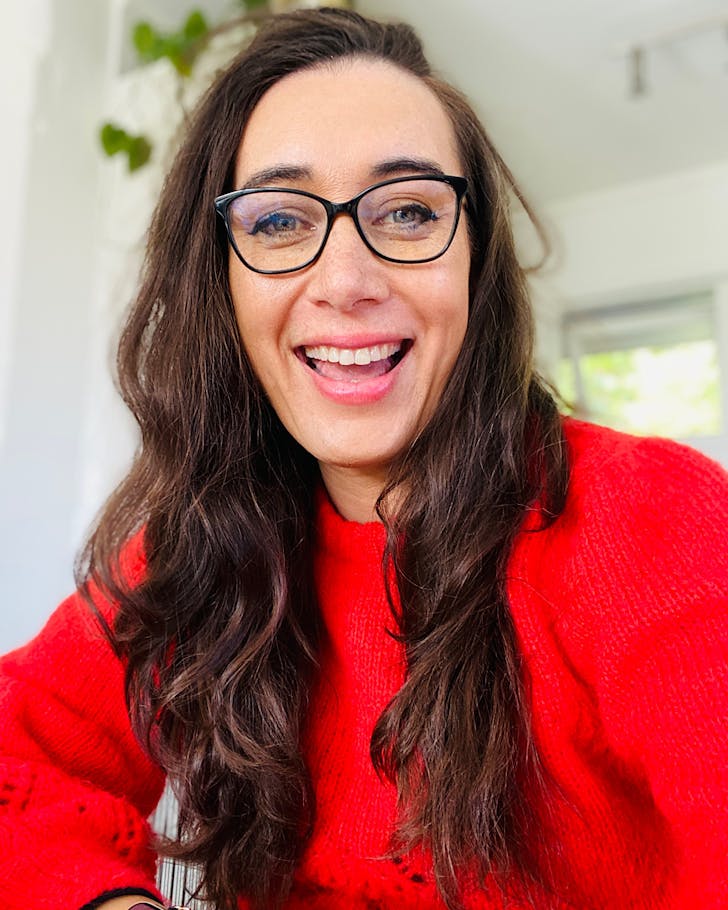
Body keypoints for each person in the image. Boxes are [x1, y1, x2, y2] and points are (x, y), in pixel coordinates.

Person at [1, 7, 726, 910]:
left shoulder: (660, 517)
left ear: (474, 261)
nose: (346, 281)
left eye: (412, 210)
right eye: (276, 221)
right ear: (218, 281)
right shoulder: (194, 548)